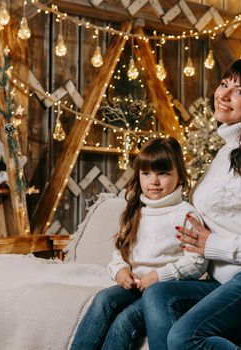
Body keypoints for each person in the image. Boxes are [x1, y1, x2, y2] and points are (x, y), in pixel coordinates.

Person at [142, 59, 241, 350]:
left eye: (240, 91)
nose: (224, 95)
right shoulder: (226, 153)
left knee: (185, 337)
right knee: (157, 295)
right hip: (229, 278)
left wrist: (216, 246)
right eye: (224, 84)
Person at [70, 137, 207, 350]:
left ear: (179, 177)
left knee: (124, 322)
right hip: (135, 285)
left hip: (164, 291)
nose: (154, 181)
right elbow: (119, 253)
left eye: (163, 173)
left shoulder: (185, 214)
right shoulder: (136, 212)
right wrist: (120, 271)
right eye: (146, 173)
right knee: (102, 300)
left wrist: (159, 276)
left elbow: (197, 262)